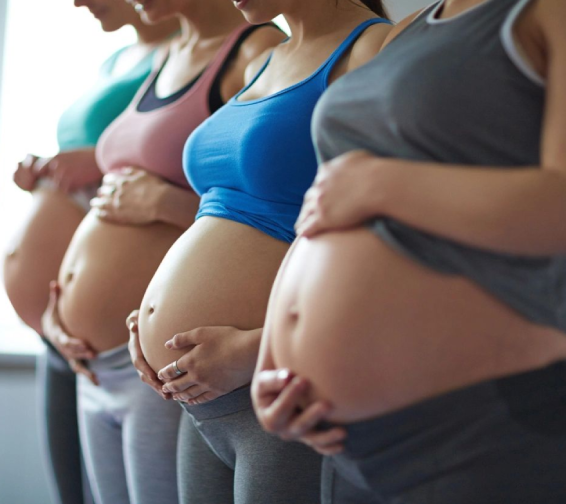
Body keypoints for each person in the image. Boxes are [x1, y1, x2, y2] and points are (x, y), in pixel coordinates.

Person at [252, 0, 566, 503]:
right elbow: (325, 208)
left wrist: (381, 184)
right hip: (343, 438)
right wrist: (271, 362)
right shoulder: (403, 34)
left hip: (481, 425)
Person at [128, 0, 391, 502]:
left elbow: (388, 247)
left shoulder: (374, 50)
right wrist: (149, 315)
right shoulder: (261, 61)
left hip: (280, 387)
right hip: (200, 400)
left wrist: (257, 349)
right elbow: (216, 217)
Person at [42, 0, 283, 502]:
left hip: (173, 363)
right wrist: (59, 310)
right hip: (102, 356)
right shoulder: (163, 56)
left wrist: (164, 202)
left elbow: (263, 200)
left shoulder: (257, 48)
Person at [3, 2, 178, 503]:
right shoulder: (117, 58)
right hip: (60, 327)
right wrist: (44, 170)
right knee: (71, 491)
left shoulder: (192, 56)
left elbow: (158, 165)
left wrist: (98, 161)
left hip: (122, 339)